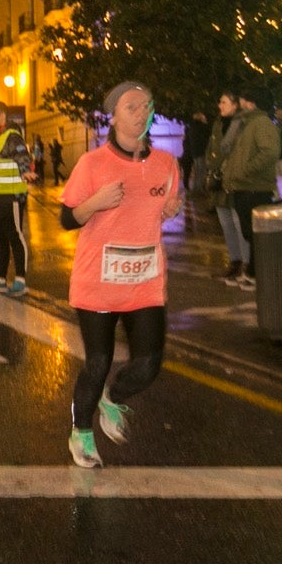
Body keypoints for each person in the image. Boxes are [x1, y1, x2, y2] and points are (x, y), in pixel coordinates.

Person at [60, 82, 182, 468]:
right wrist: (95, 203)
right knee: (97, 362)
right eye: (131, 107)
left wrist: (172, 209)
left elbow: (167, 203)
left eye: (146, 105)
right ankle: (81, 433)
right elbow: (67, 218)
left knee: (149, 364)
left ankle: (112, 398)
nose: (141, 113)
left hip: (145, 281)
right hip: (98, 282)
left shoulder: (165, 163)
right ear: (112, 116)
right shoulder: (92, 164)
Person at [221, 88, 280, 290]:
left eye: (243, 99)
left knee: (255, 233)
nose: (241, 103)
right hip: (243, 186)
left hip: (255, 187)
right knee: (249, 233)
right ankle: (252, 272)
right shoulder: (247, 123)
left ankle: (256, 274)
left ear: (251, 103)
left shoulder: (260, 123)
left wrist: (245, 171)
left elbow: (269, 152)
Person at [0, 101, 36, 297]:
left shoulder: (11, 136)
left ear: (3, 116)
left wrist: (25, 171)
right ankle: (1, 279)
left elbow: (22, 157)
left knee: (15, 236)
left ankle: (20, 279)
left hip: (10, 196)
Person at [203, 92, 249, 282]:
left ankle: (246, 265)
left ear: (235, 105)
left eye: (224, 102)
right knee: (227, 225)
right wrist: (210, 166)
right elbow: (211, 149)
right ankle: (234, 262)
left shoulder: (243, 125)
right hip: (218, 182)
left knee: (240, 225)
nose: (219, 105)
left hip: (234, 181)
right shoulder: (218, 124)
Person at [180, 111, 210, 193]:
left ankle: (196, 189)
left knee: (197, 172)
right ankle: (199, 190)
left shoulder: (191, 128)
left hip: (194, 153)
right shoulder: (202, 127)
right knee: (201, 171)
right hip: (201, 152)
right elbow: (206, 140)